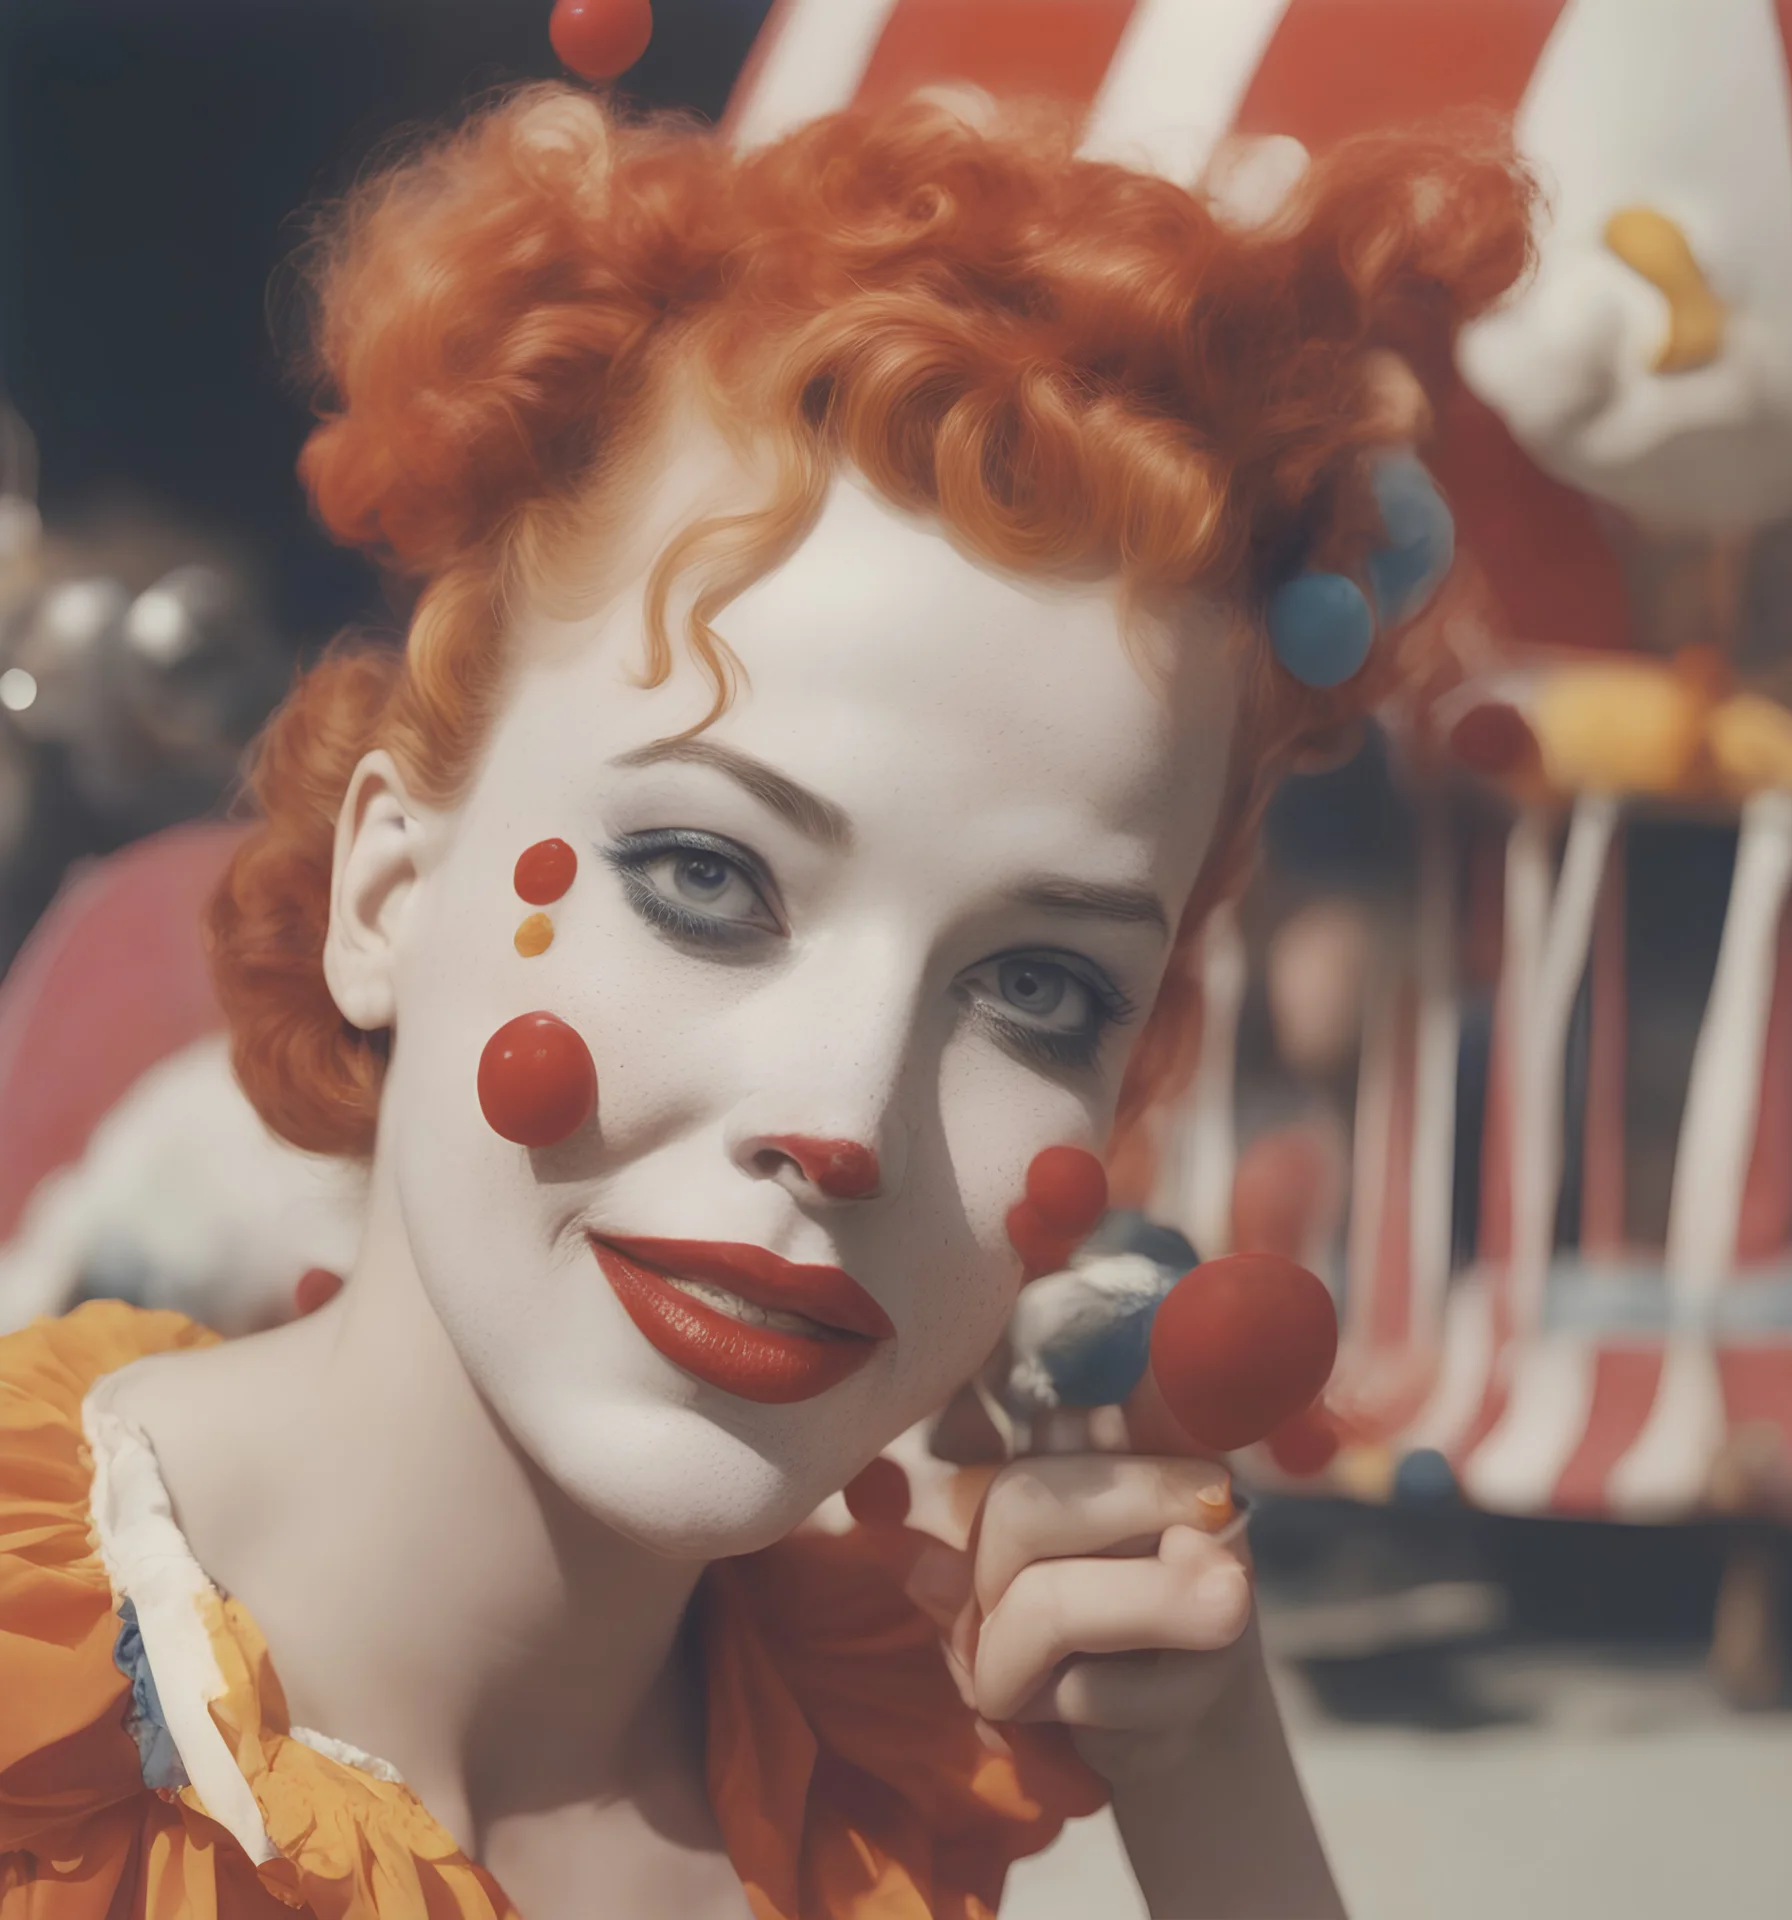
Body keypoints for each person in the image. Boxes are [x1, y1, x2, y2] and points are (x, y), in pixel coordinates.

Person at [0, 85, 1528, 1919]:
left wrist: (1211, 1793)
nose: (846, 1112)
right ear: (388, 888)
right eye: (705, 878)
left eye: (1037, 986)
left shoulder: (877, 1778)